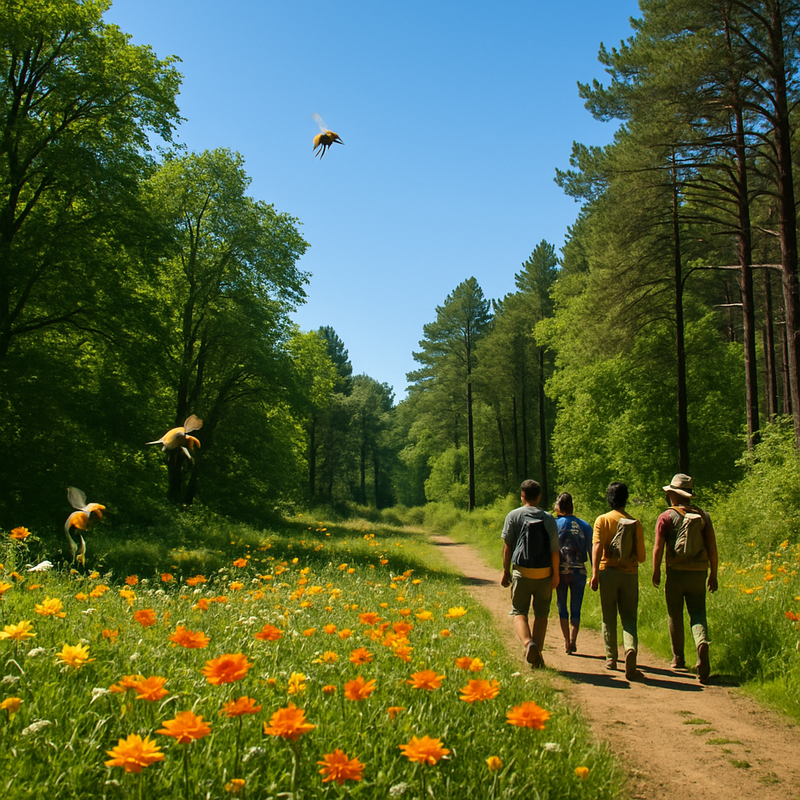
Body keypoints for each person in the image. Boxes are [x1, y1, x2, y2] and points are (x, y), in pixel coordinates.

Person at [652, 473, 718, 684]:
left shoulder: (666, 517)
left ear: (672, 494)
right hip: (699, 573)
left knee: (675, 614)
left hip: (675, 572)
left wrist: (656, 571)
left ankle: (678, 658)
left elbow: (658, 547)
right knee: (698, 612)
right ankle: (701, 643)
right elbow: (712, 548)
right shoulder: (703, 517)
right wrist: (714, 574)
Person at [501, 479, 560, 668]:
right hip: (544, 573)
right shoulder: (548, 518)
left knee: (519, 611)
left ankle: (529, 644)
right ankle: (537, 657)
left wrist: (505, 571)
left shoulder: (513, 515)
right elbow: (554, 551)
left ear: (522, 495)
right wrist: (556, 575)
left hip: (522, 572)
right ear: (539, 496)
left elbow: (507, 546)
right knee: (542, 614)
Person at [590, 482, 645, 680]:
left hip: (607, 572)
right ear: (626, 498)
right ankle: (630, 649)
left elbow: (596, 547)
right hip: (630, 574)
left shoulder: (602, 520)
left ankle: (611, 658)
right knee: (629, 617)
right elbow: (642, 557)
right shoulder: (635, 523)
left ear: (609, 498)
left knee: (608, 616)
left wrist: (595, 573)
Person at [554, 492, 593, 654]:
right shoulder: (584, 525)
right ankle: (573, 640)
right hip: (579, 571)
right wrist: (595, 572)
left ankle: (565, 642)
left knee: (562, 605)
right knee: (576, 607)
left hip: (561, 570)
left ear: (559, 506)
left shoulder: (555, 524)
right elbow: (592, 550)